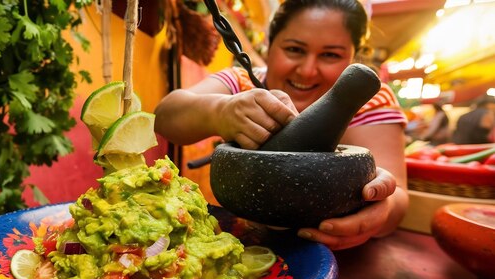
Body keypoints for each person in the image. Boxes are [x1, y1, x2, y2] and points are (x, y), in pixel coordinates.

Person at [154, 0, 409, 250]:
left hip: (340, 260)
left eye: (330, 55)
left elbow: (397, 199)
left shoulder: (368, 101)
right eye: (295, 49)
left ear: (354, 57)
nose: (308, 71)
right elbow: (165, 116)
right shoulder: (243, 82)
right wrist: (220, 111)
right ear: (269, 45)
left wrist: (382, 207)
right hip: (235, 243)